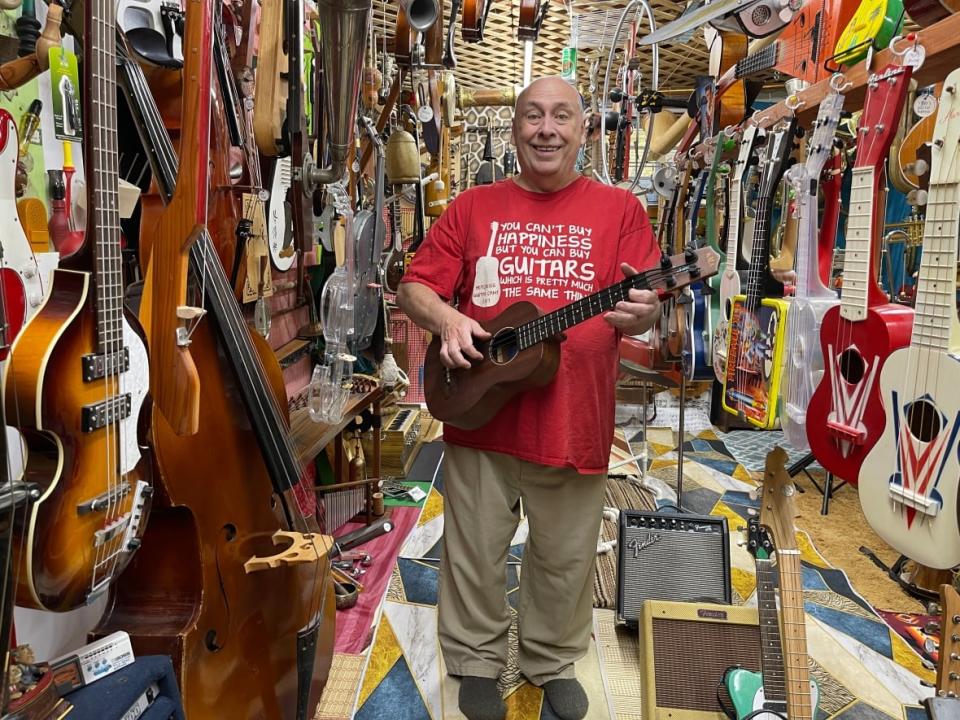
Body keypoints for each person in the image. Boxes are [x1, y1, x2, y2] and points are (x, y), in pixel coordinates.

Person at [396, 76, 661, 720]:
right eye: (534, 116)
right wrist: (449, 322)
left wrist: (641, 314)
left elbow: (645, 309)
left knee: (565, 558)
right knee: (472, 554)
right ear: (516, 128)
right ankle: (475, 659)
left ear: (583, 130)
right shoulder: (471, 207)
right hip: (479, 411)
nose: (547, 128)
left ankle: (549, 656)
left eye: (562, 116)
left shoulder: (620, 211)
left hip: (576, 421)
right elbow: (413, 288)